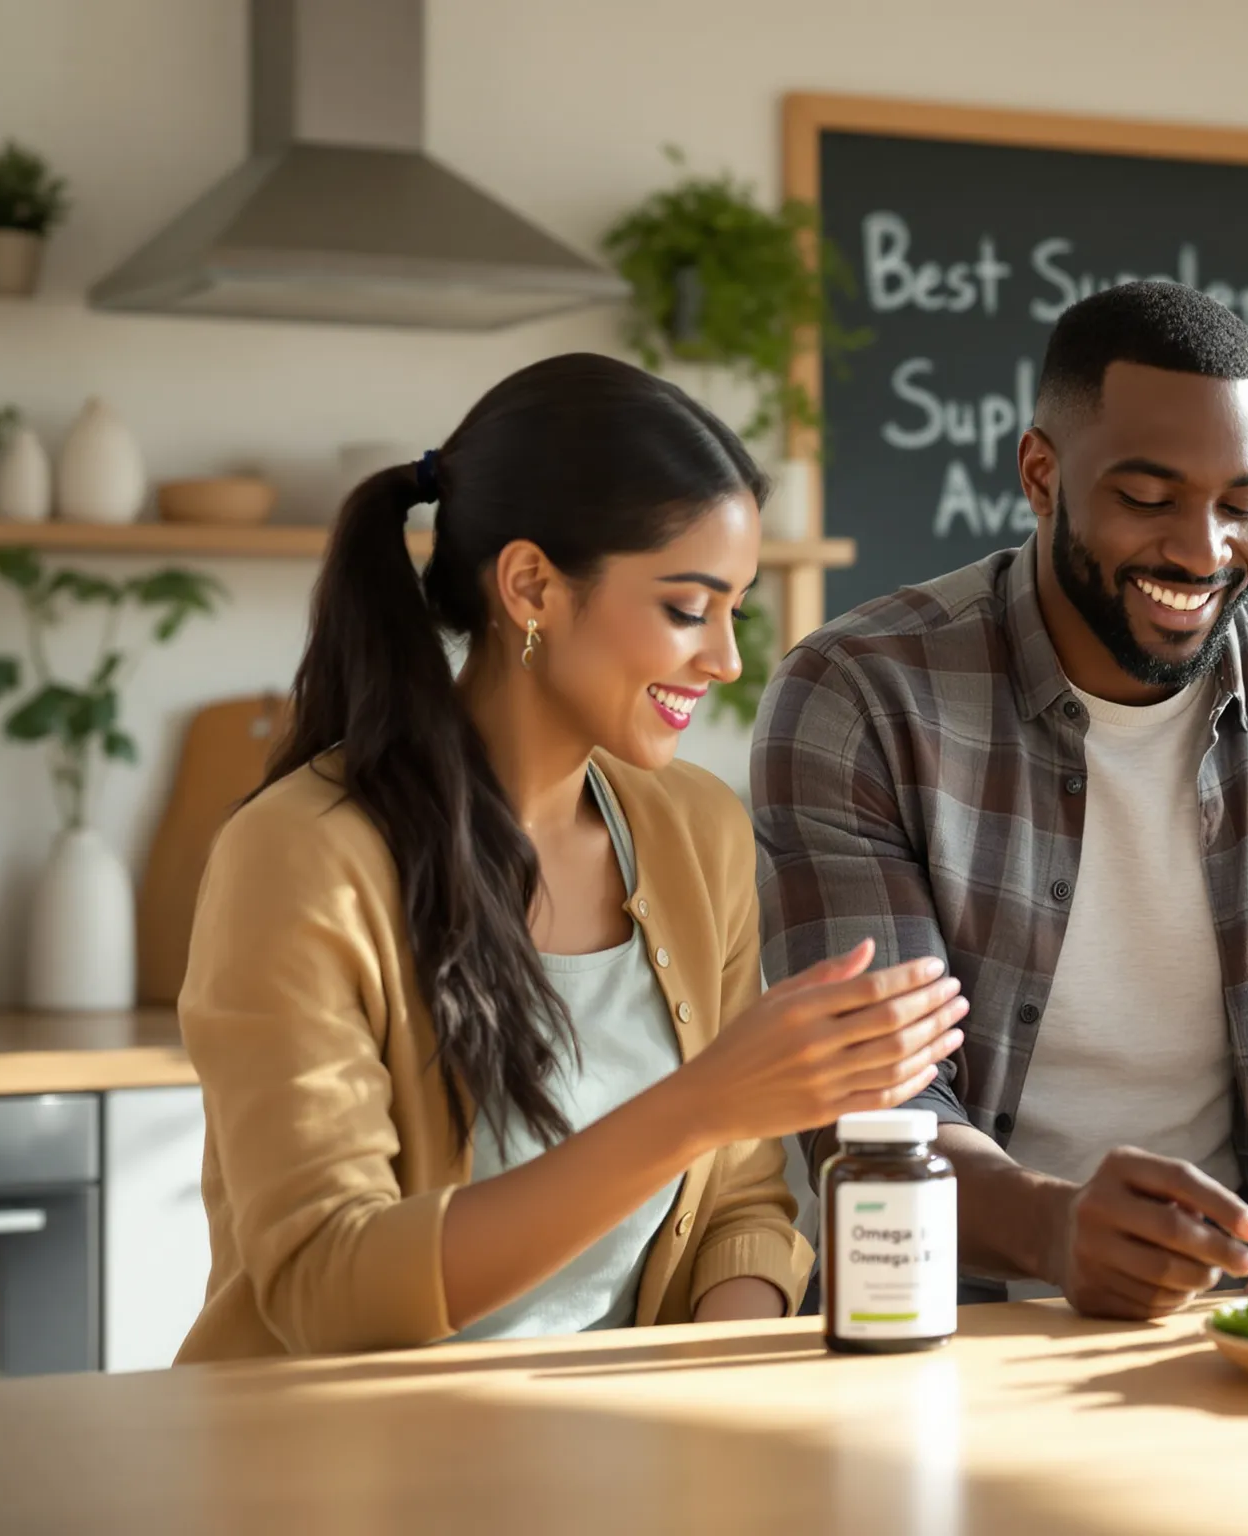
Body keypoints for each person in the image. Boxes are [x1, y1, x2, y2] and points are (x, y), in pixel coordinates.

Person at [178, 354, 967, 1362]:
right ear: (532, 587)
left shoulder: (695, 833)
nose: (726, 659)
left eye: (736, 608)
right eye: (688, 607)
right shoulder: (300, 857)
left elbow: (741, 1212)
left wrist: (708, 1404)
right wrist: (701, 1104)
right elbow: (329, 1290)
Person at [755, 282, 1248, 1319]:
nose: (1203, 550)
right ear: (1041, 475)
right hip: (935, 1319)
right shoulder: (860, 696)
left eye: (1240, 502)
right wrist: (1054, 1227)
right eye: (1147, 497)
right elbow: (870, 1099)